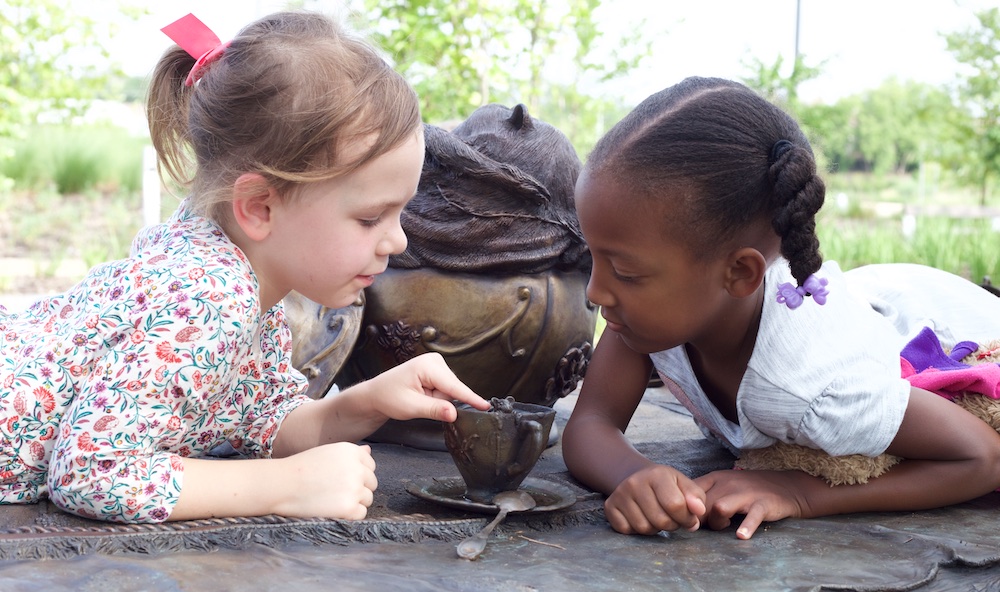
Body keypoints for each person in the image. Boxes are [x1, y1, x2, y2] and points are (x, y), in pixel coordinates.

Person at [0, 11, 490, 524]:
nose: (398, 239)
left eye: (400, 211)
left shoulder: (244, 278)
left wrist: (367, 403)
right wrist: (282, 487)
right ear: (259, 207)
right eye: (370, 218)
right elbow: (90, 472)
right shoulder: (208, 299)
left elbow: (262, 424)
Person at [562, 76, 1000, 540]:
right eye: (594, 259)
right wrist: (633, 474)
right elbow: (591, 423)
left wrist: (799, 492)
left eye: (625, 272)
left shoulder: (810, 387)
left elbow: (982, 457)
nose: (596, 291)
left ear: (740, 274)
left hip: (938, 321)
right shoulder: (649, 314)